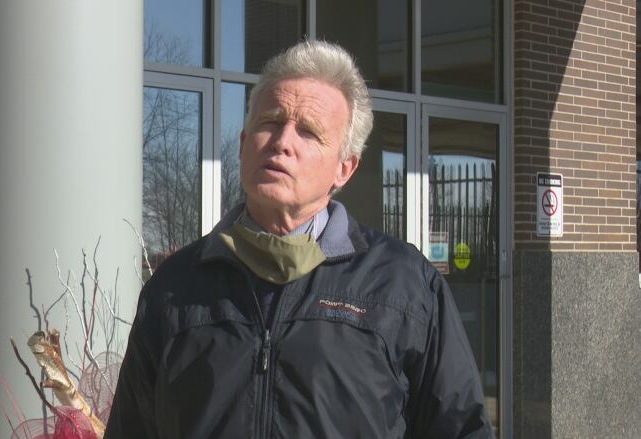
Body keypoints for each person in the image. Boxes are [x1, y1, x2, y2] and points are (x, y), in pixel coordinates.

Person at [104, 40, 494, 439]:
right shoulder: (174, 289)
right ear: (242, 145)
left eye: (308, 132)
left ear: (345, 168)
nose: (282, 142)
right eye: (270, 122)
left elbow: (461, 429)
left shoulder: (404, 287)